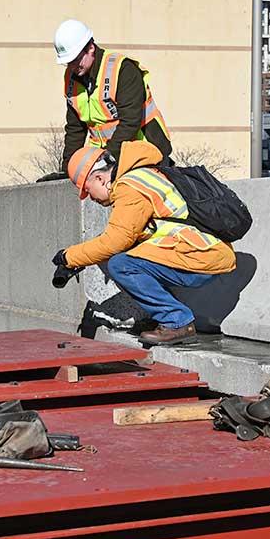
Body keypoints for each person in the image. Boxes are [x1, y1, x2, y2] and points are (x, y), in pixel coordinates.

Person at [52, 143, 235, 346]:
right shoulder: (142, 175)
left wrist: (68, 257)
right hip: (201, 251)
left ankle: (176, 321)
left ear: (99, 178)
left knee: (121, 265)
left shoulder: (129, 187)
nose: (91, 198)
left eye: (88, 190)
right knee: (129, 257)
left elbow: (114, 242)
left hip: (199, 255)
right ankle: (163, 316)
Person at [54, 19, 173, 171]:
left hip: (145, 152)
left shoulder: (123, 70)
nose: (72, 67)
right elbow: (75, 129)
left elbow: (130, 122)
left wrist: (106, 160)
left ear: (90, 48)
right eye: (68, 62)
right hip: (108, 158)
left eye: (75, 60)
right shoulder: (72, 78)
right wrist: (68, 168)